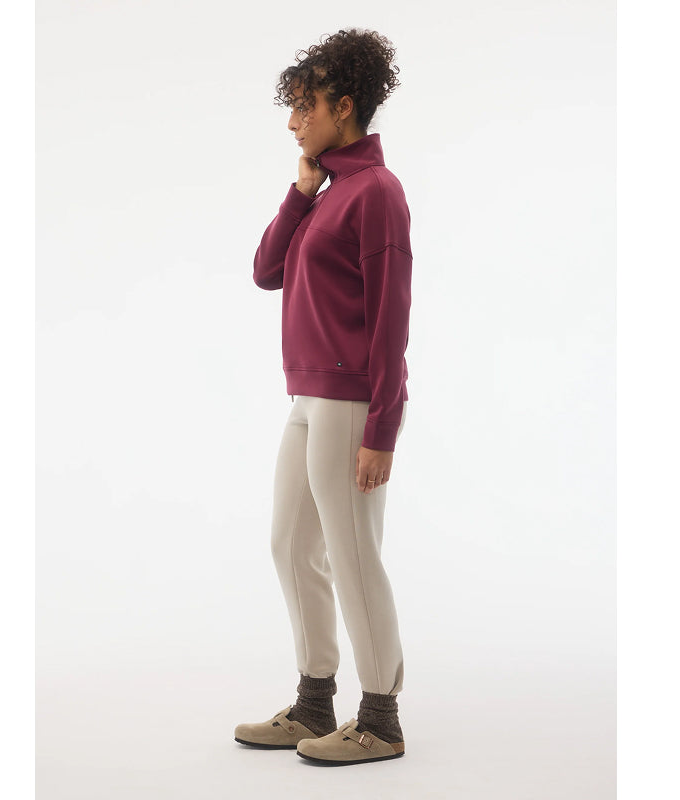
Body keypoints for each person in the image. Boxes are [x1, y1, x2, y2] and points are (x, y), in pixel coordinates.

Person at [234, 28, 413, 766]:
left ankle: (380, 718)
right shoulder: (329, 192)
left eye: (304, 106)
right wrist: (300, 191)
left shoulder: (378, 193)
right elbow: (265, 270)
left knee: (352, 552)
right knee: (289, 542)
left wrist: (382, 429)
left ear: (344, 106)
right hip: (307, 397)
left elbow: (391, 320)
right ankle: (314, 702)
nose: (292, 121)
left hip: (350, 402)